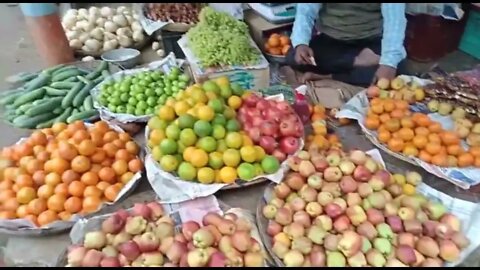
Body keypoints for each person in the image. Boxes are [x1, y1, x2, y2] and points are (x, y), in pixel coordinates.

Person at [288, 3, 408, 87]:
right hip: (332, 40)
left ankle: (328, 76)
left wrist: (388, 63)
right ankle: (357, 62)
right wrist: (301, 43)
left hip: (371, 40)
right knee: (293, 56)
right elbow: (305, 11)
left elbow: (394, 21)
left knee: (398, 68)